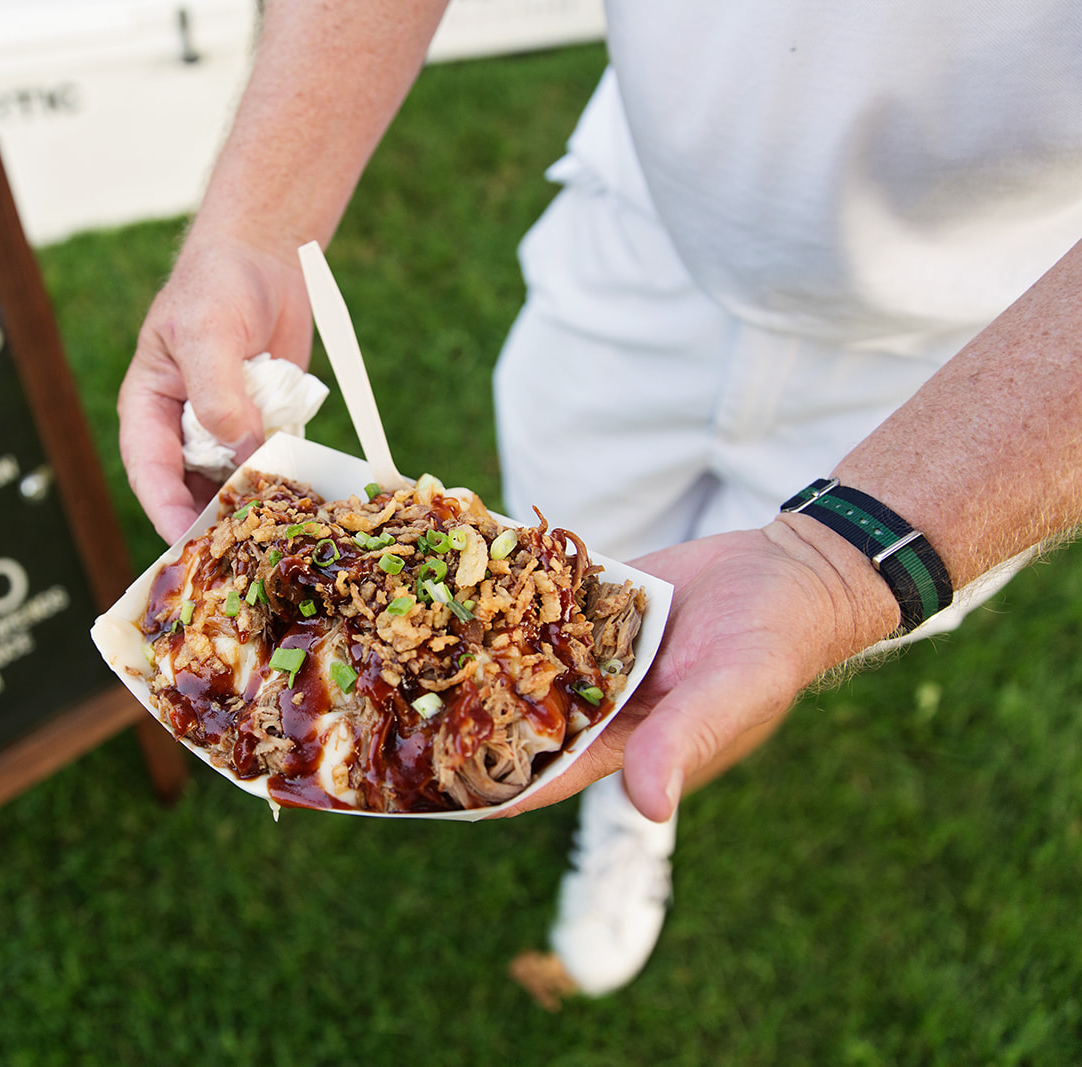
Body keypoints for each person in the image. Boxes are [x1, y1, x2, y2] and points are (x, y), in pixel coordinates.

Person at [116, 0, 1082, 1003]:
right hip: (645, 226)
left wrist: (842, 565)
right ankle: (602, 753)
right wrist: (260, 225)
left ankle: (630, 812)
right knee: (574, 567)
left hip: (983, 356)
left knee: (734, 650)